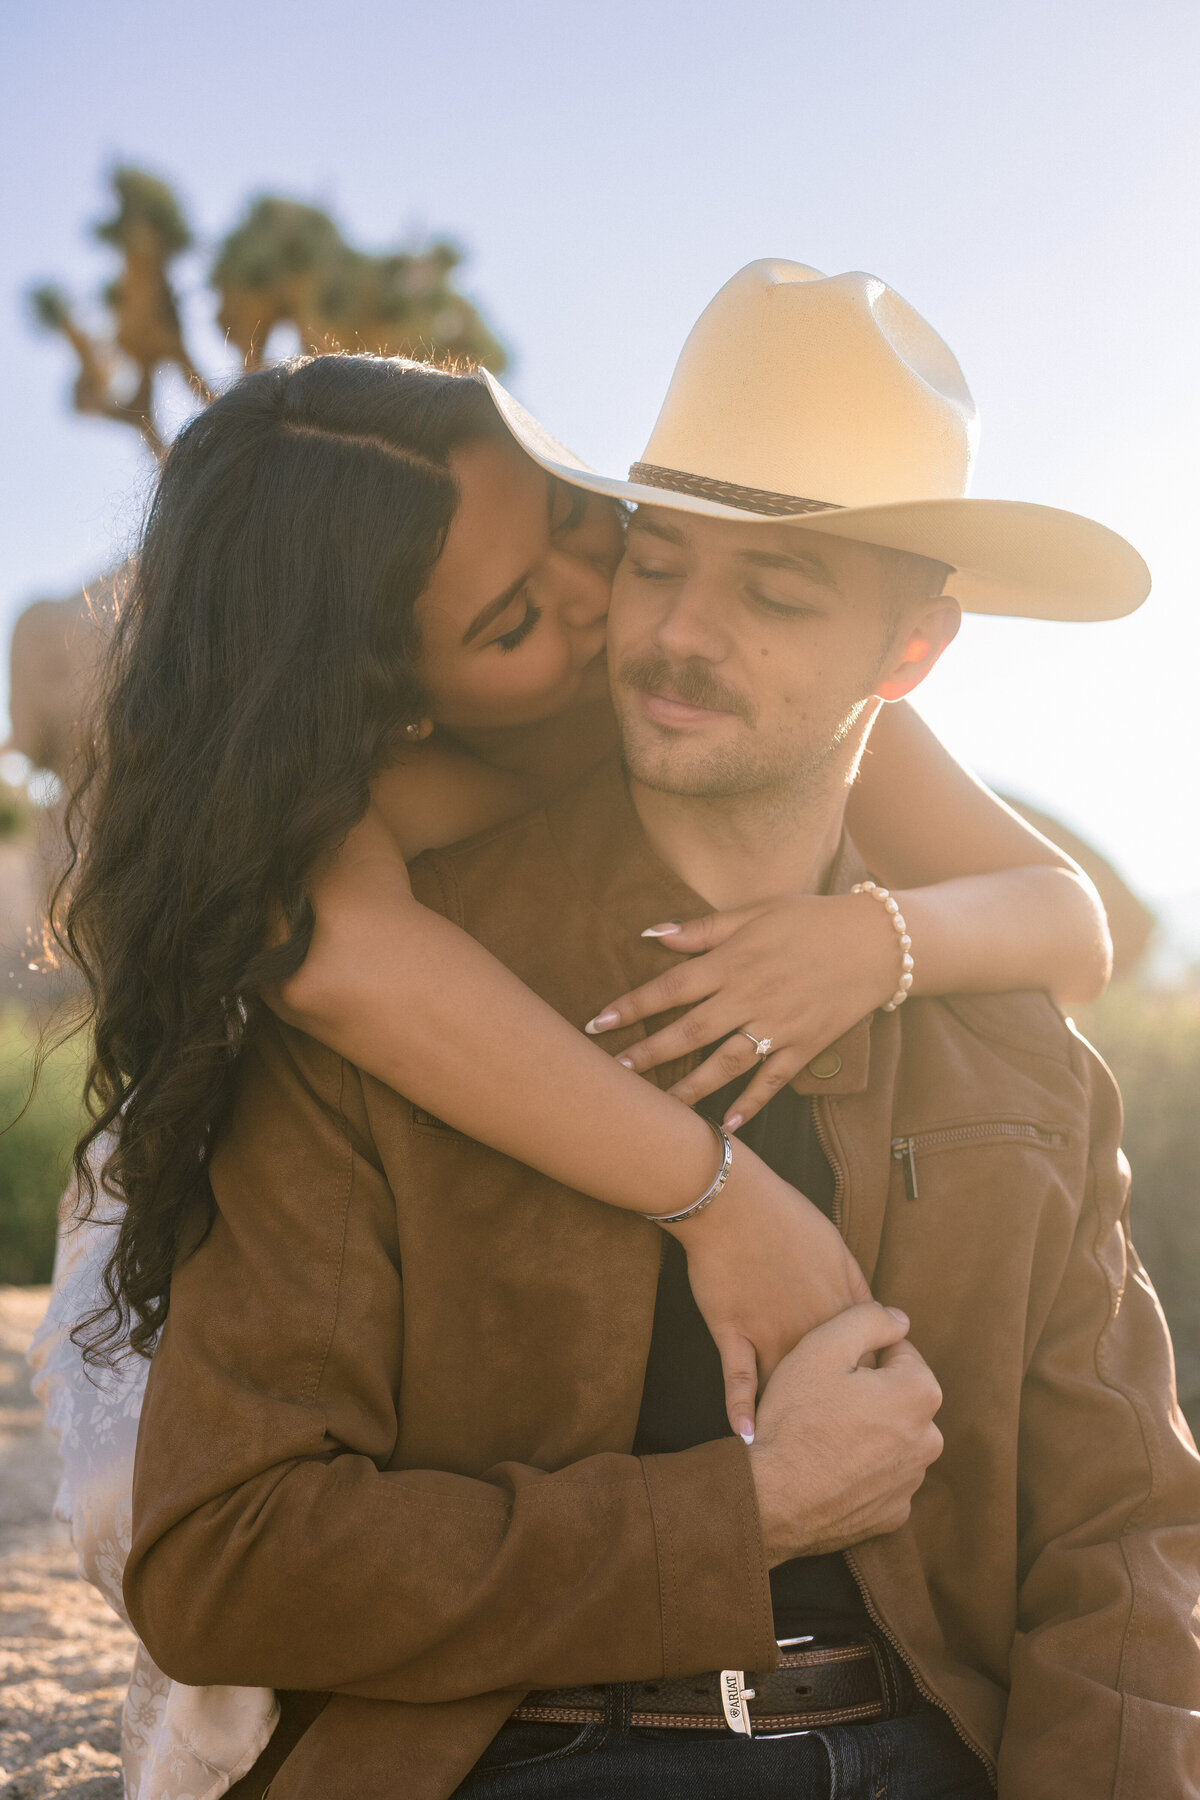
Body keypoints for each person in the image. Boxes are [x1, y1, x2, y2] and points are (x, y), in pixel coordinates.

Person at [42, 263, 1193, 1797]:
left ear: (905, 654)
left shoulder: (990, 1021)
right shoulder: (355, 911)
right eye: (651, 559)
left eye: (596, 531)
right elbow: (342, 963)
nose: (646, 627)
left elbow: (1128, 1538)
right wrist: (724, 1252)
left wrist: (879, 940)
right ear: (400, 680)